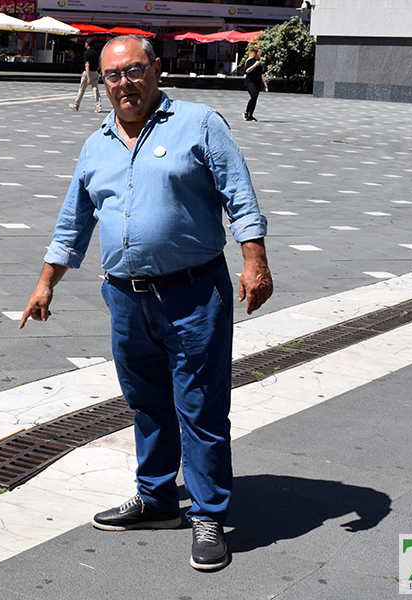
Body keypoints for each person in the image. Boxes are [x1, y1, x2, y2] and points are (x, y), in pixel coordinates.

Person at [19, 35, 273, 571]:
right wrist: (46, 283)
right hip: (126, 297)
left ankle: (208, 516)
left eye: (134, 71)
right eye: (113, 76)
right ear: (102, 81)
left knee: (201, 408)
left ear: (156, 69)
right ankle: (156, 500)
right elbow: (74, 222)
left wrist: (254, 260)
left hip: (194, 292)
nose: (124, 84)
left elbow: (240, 196)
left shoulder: (200, 123)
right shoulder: (96, 145)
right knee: (146, 403)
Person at [70, 39, 102, 113]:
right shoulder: (96, 53)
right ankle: (99, 106)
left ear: (87, 44)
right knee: (96, 90)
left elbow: (87, 64)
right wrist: (96, 70)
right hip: (95, 72)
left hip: (88, 73)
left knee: (82, 89)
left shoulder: (86, 53)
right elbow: (99, 63)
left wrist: (88, 77)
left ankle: (76, 105)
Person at [243, 46, 267, 121]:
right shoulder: (250, 61)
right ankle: (246, 112)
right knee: (253, 96)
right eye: (259, 52)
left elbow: (261, 73)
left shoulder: (259, 61)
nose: (260, 53)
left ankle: (250, 114)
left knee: (255, 98)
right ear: (255, 53)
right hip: (250, 82)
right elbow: (247, 70)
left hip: (257, 82)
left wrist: (264, 83)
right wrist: (255, 65)